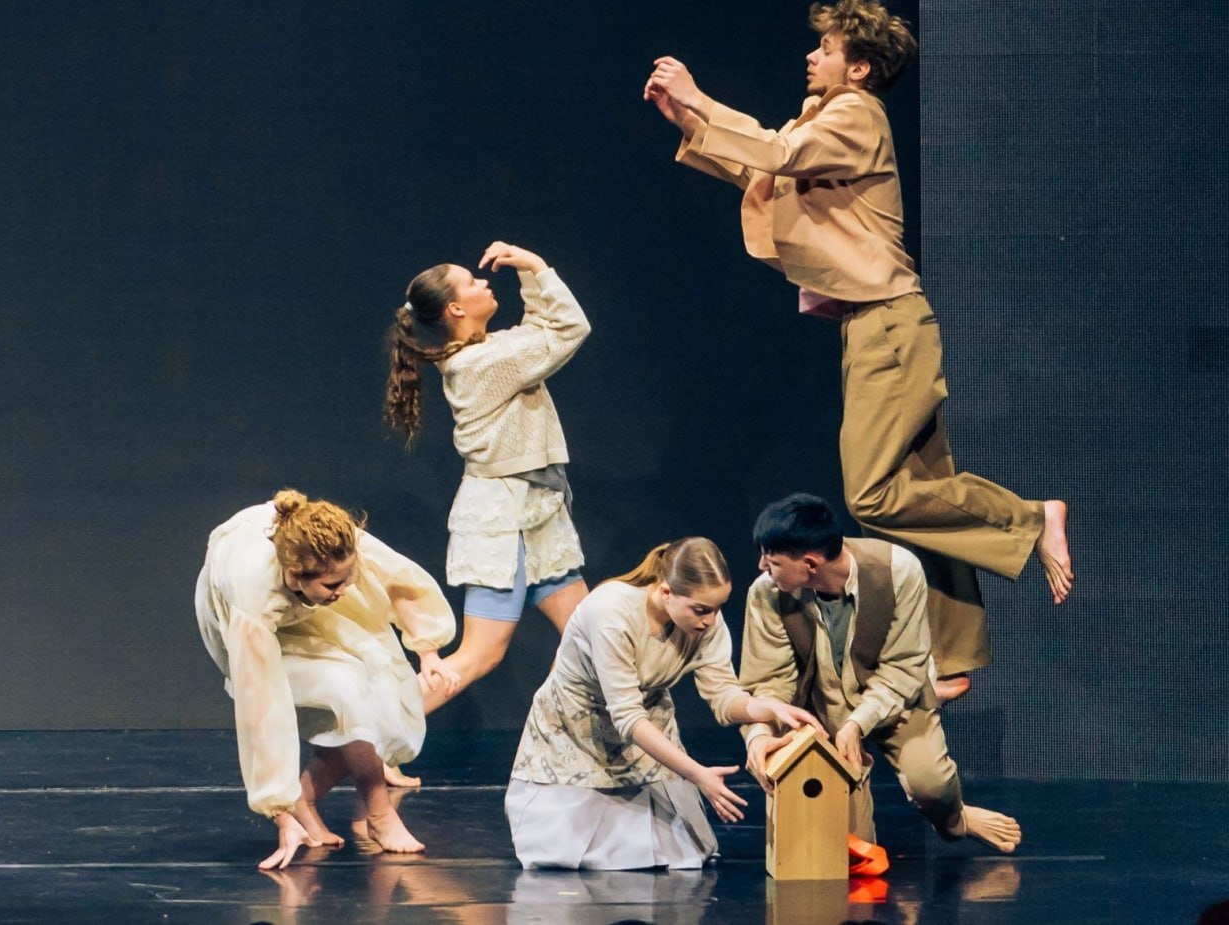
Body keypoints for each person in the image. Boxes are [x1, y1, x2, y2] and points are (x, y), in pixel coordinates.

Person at [644, 0, 1073, 700]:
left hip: (888, 327)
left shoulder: (855, 113)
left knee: (874, 494)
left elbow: (777, 151)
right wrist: (692, 121)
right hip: (878, 327)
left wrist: (701, 98)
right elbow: (767, 171)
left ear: (860, 66)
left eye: (827, 48)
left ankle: (1031, 518)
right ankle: (954, 654)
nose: (812, 57)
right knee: (924, 491)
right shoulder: (829, 120)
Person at [505, 537, 819, 870]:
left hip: (647, 722)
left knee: (676, 854)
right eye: (701, 610)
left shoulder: (704, 623)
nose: (710, 620)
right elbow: (627, 715)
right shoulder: (611, 612)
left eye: (717, 608)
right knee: (566, 852)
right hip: (580, 723)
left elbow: (724, 696)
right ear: (666, 592)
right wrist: (697, 774)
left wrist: (767, 707)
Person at [740, 492, 1022, 852]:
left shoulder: (897, 571)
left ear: (810, 564)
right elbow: (769, 681)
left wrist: (858, 722)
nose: (762, 567)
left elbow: (903, 666)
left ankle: (957, 820)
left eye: (772, 560)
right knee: (844, 850)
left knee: (932, 785)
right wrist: (759, 736)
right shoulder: (766, 593)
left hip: (892, 698)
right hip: (817, 710)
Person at [194, 488, 458, 869]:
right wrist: (278, 812)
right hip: (234, 615)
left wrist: (428, 650)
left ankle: (312, 799)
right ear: (295, 575)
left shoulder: (334, 543)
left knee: (374, 666)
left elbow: (396, 577)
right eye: (335, 585)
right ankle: (377, 814)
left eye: (348, 578)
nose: (345, 590)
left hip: (304, 602)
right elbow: (260, 708)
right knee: (345, 688)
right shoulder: (254, 598)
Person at [385, 240, 591, 718]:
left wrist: (532, 279)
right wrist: (536, 265)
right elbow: (568, 329)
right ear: (456, 308)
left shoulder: (491, 351)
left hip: (534, 512)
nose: (484, 283)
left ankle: (562, 734)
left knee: (588, 636)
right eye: (471, 282)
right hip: (502, 520)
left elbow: (540, 329)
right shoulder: (481, 363)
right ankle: (372, 738)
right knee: (480, 656)